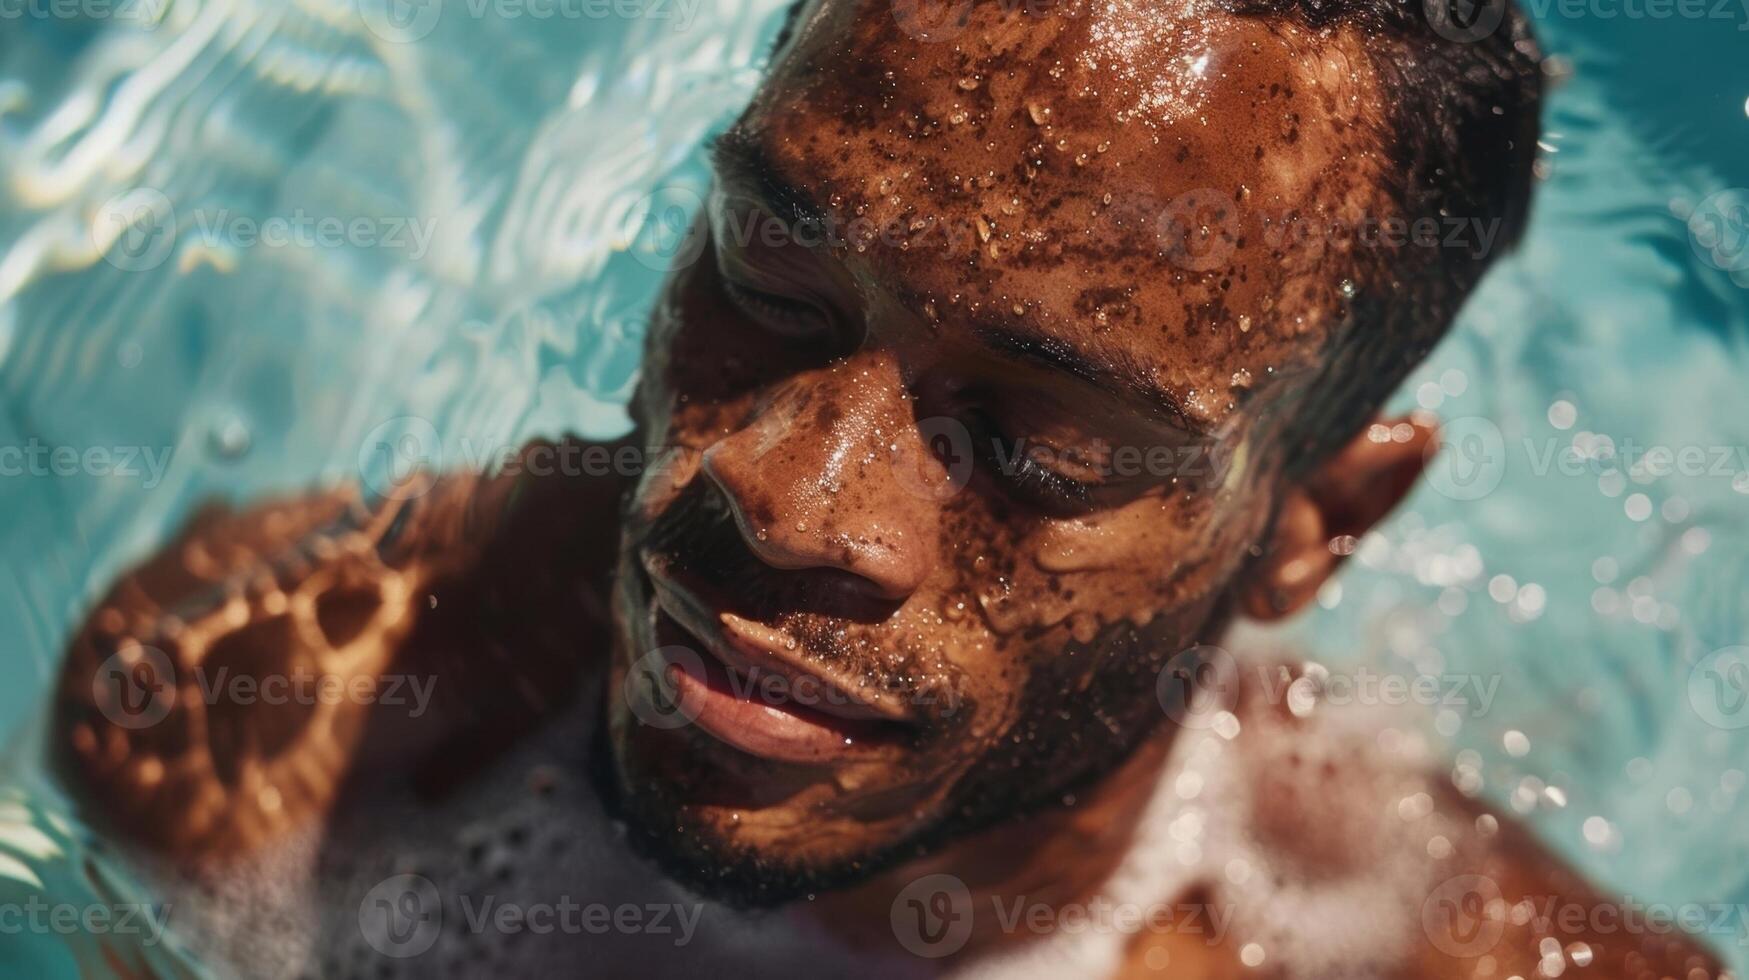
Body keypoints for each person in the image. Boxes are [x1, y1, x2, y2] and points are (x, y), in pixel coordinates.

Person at [51, 0, 1729, 975]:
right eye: (769, 285)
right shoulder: (275, 714)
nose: (783, 500)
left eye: (1047, 443)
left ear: (1313, 524)